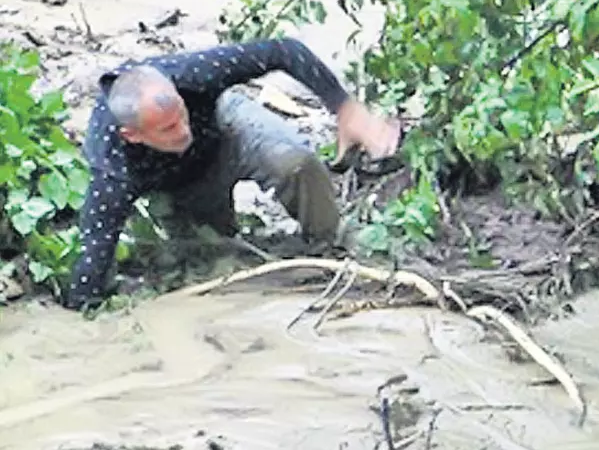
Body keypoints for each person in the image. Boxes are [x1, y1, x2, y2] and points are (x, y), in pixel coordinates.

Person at [62, 37, 401, 311]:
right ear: (132, 136)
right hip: (182, 187)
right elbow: (96, 248)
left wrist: (344, 107)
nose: (182, 131)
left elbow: (283, 50)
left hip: (228, 128)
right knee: (214, 257)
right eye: (167, 129)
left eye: (181, 114)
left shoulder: (192, 73)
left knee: (296, 163)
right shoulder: (113, 168)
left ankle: (330, 246)